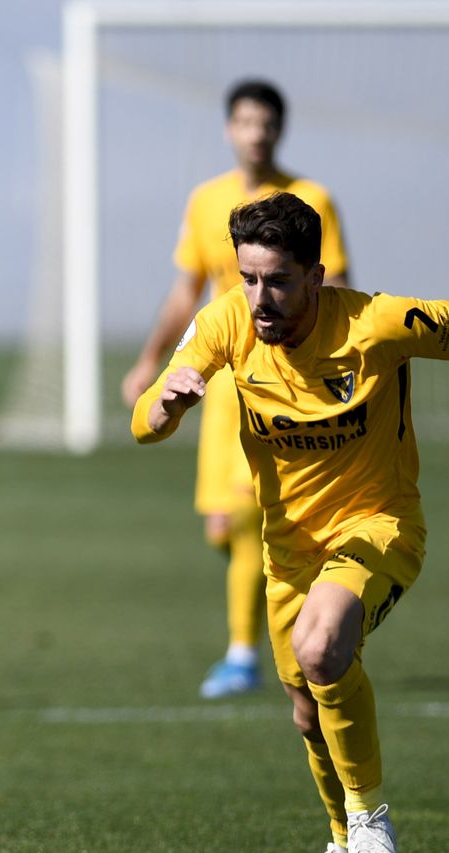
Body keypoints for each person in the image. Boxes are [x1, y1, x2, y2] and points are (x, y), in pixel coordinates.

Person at [132, 193, 449, 853]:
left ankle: (371, 819)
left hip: (379, 526)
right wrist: (169, 402)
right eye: (248, 278)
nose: (260, 297)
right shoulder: (227, 321)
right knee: (307, 712)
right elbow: (142, 424)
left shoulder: (376, 323)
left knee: (321, 651)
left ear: (317, 276)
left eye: (278, 280)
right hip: (287, 553)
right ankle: (342, 849)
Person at [121, 80, 350, 700]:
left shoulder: (313, 199)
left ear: (280, 130)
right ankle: (290, 605)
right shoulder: (207, 201)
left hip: (288, 383)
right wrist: (151, 364)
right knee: (223, 526)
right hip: (223, 386)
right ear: (231, 129)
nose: (257, 134)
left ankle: (244, 652)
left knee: (251, 517)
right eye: (246, 122)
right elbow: (184, 292)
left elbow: (338, 292)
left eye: (267, 124)